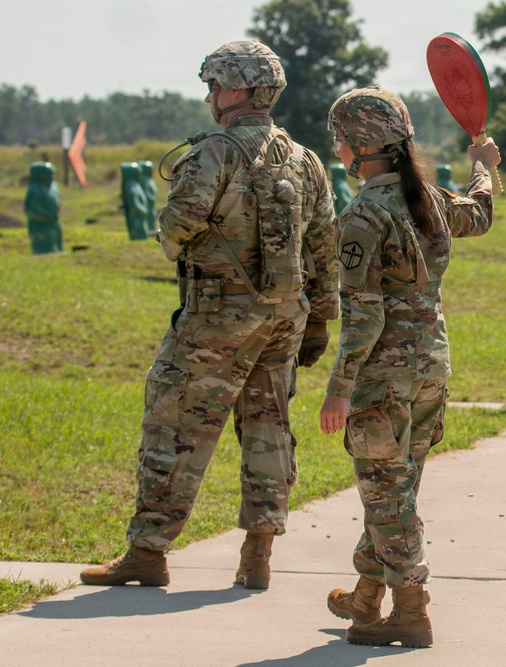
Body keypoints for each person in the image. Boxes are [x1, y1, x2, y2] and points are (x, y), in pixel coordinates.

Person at [80, 40, 339, 590]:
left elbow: (177, 230)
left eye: (216, 85)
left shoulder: (213, 152)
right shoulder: (305, 158)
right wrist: (320, 319)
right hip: (285, 316)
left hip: (217, 318)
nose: (210, 95)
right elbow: (324, 245)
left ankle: (148, 552)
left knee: (174, 424)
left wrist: (179, 235)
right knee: (268, 427)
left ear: (241, 90)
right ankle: (258, 555)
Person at [320, 86, 500, 648]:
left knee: (385, 493)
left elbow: (363, 317)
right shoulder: (427, 196)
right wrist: (484, 168)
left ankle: (411, 608)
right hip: (430, 368)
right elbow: (482, 214)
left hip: (381, 378)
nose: (339, 150)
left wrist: (338, 390)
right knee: (396, 488)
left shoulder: (364, 214)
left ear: (358, 146)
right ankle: (368, 598)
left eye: (341, 141)